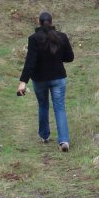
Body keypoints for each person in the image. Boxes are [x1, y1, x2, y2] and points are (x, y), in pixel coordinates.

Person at [17, 11, 75, 150]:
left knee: (43, 106)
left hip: (40, 79)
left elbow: (30, 62)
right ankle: (64, 141)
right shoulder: (61, 36)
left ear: (39, 22)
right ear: (51, 21)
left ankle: (44, 135)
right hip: (58, 78)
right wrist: (57, 57)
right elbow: (70, 57)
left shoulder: (33, 39)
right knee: (59, 108)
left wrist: (23, 82)